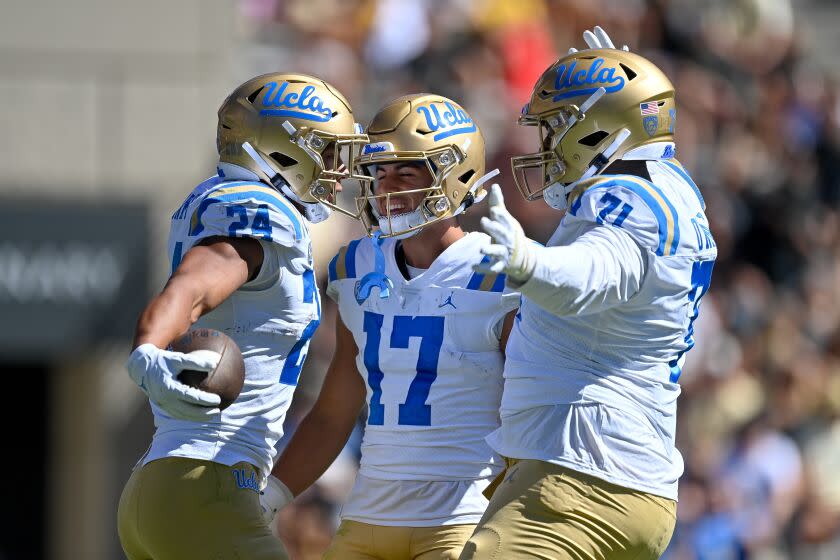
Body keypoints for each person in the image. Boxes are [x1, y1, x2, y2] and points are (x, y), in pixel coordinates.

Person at [459, 27, 717, 560]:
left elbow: (597, 274)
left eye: (556, 127)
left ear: (599, 131)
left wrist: (529, 263)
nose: (546, 145)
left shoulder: (629, 199)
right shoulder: (669, 186)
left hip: (581, 474)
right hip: (610, 475)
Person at [117, 72, 368, 560]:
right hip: (205, 486)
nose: (337, 170)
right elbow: (194, 284)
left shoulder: (236, 202)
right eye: (326, 151)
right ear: (278, 148)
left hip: (175, 485)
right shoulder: (258, 209)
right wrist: (148, 348)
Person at [259, 93, 520, 560]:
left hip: (459, 518)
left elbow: (530, 414)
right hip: (367, 516)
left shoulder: (499, 272)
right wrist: (271, 497)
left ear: (453, 174)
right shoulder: (354, 268)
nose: (386, 187)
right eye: (379, 172)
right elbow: (335, 412)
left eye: (405, 171)